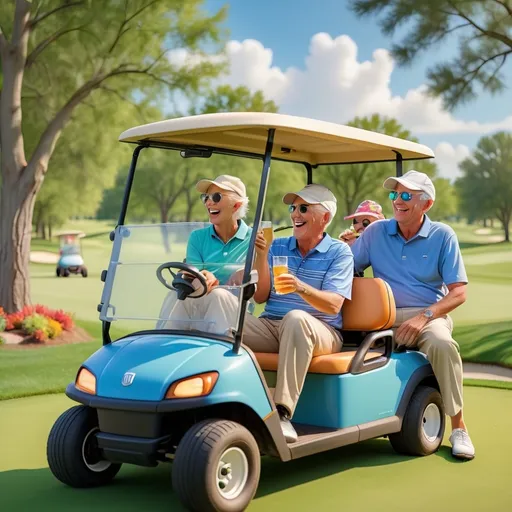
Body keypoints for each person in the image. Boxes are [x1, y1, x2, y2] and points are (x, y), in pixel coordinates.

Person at [349, 170, 475, 460]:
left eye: (406, 195)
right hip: (383, 319)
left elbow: (459, 292)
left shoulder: (443, 235)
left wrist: (423, 318)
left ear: (426, 204)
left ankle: (459, 427)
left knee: (443, 345)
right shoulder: (375, 232)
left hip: (428, 316)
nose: (398, 201)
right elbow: (348, 269)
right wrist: (344, 247)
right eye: (395, 194)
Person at [243, 184, 354, 443]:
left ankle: (281, 413)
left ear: (325, 217)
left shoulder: (340, 252)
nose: (295, 214)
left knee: (295, 318)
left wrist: (300, 287)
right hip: (272, 326)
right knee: (225, 321)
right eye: (293, 208)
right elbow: (260, 297)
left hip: (322, 331)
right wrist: (262, 255)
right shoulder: (278, 246)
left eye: (304, 208)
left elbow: (333, 305)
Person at [159, 174, 252, 334]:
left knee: (218, 296)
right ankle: (161, 344)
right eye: (206, 197)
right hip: (200, 304)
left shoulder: (253, 239)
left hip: (234, 312)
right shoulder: (197, 237)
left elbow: (255, 284)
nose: (209, 202)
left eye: (216, 197)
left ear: (236, 206)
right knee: (175, 295)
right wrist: (202, 275)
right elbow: (192, 276)